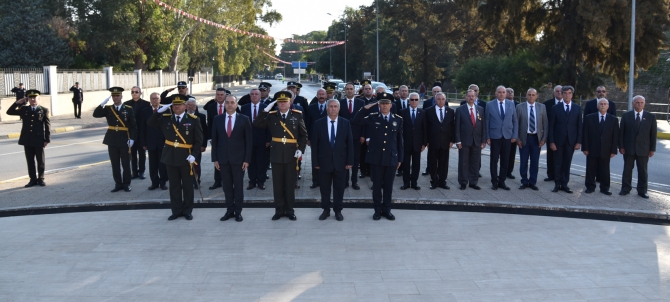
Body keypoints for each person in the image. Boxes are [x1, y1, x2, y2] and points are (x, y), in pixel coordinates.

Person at [253, 91, 307, 221]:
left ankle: (290, 210)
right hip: (276, 153)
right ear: (277, 103)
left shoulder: (297, 115)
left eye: (285, 102)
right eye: (280, 102)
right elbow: (257, 123)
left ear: (290, 103)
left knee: (289, 184)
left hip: (291, 153)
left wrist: (301, 150)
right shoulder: (272, 116)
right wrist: (266, 109)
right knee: (277, 184)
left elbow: (304, 135)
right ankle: (279, 210)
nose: (282, 104)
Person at [148, 95, 203, 220]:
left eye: (179, 104)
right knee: (174, 186)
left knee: (188, 186)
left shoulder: (193, 120)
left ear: (185, 106)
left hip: (186, 157)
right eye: (174, 105)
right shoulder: (166, 119)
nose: (177, 107)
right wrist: (158, 112)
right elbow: (150, 123)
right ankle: (176, 210)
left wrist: (194, 155)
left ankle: (188, 210)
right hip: (170, 157)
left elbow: (199, 140)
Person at [353, 93, 403, 220]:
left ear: (391, 105)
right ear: (379, 105)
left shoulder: (398, 119)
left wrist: (400, 158)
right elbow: (356, 121)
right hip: (376, 158)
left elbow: (399, 141)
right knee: (376, 186)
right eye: (382, 104)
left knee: (388, 186)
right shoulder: (372, 117)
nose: (384, 106)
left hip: (391, 157)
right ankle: (377, 210)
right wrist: (365, 108)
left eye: (387, 104)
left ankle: (387, 210)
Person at [211, 95, 252, 222]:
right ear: (224, 104)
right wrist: (215, 159)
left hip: (239, 160)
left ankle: (238, 211)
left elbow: (249, 141)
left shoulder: (244, 119)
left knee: (238, 186)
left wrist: (247, 160)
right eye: (227, 102)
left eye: (232, 102)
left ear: (236, 104)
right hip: (223, 159)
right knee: (227, 187)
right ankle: (229, 210)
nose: (229, 104)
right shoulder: (217, 119)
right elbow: (215, 140)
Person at [311, 99, 354, 221]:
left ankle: (338, 210)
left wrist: (350, 161)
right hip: (324, 162)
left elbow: (350, 143)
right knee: (324, 188)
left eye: (335, 106)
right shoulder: (318, 123)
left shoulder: (345, 123)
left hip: (341, 162)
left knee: (339, 188)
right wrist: (315, 162)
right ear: (326, 108)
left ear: (339, 109)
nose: (333, 109)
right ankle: (325, 210)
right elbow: (315, 145)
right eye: (331, 106)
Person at [93, 87, 137, 192]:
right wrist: (102, 103)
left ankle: (126, 184)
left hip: (124, 139)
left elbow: (133, 126)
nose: (115, 97)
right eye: (113, 96)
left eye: (117, 95)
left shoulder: (128, 109)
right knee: (115, 163)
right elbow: (95, 114)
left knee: (126, 163)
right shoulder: (108, 108)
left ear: (121, 96)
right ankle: (118, 184)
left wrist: (132, 139)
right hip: (112, 139)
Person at [6, 90, 50, 187]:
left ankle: (41, 178)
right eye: (30, 97)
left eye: (35, 97)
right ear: (28, 99)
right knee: (30, 161)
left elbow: (47, 126)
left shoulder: (43, 110)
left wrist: (46, 139)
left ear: (39, 99)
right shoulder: (24, 109)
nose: (33, 99)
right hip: (27, 139)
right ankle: (33, 179)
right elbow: (9, 112)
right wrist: (17, 103)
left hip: (38, 139)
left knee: (40, 161)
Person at [619, 95, 657, 199]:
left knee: (643, 171)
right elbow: (621, 133)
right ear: (633, 103)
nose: (639, 104)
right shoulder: (626, 116)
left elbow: (653, 135)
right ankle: (625, 189)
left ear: (644, 104)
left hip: (644, 149)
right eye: (637, 102)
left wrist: (652, 149)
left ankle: (642, 190)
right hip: (628, 148)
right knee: (627, 170)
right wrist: (621, 146)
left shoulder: (651, 117)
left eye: (641, 103)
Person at [547, 85, 582, 193]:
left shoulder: (577, 108)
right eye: (565, 93)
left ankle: (565, 184)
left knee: (567, 163)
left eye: (569, 93)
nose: (567, 95)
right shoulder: (555, 108)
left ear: (572, 94)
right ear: (562, 94)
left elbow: (579, 126)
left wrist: (578, 142)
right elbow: (551, 126)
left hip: (571, 141)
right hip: (558, 141)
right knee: (557, 163)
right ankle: (557, 184)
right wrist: (551, 141)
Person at [582, 98, 618, 195]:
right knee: (590, 169)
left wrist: (613, 150)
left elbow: (615, 136)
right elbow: (585, 134)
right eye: (601, 104)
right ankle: (590, 186)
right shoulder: (589, 118)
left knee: (605, 170)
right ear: (597, 106)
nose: (602, 105)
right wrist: (585, 148)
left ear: (608, 106)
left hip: (606, 149)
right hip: (591, 148)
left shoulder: (613, 119)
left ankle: (605, 188)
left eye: (605, 104)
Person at [485, 86, 518, 191]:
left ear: (506, 94)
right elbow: (487, 121)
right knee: (494, 160)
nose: (502, 94)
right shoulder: (489, 105)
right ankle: (494, 181)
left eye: (503, 92)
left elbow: (515, 121)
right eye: (499, 92)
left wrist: (514, 135)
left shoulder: (511, 104)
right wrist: (488, 136)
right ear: (496, 93)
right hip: (495, 136)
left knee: (505, 160)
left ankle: (502, 181)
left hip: (507, 136)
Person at [516, 88, 548, 191]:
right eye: (529, 94)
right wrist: (517, 138)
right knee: (523, 161)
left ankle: (533, 181)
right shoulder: (519, 107)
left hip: (536, 139)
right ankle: (524, 181)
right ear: (526, 95)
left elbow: (545, 124)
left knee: (535, 161)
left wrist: (544, 138)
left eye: (533, 95)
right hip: (524, 138)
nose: (531, 96)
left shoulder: (542, 107)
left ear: (536, 96)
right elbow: (516, 123)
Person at [455, 89, 486, 190]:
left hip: (476, 141)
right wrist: (458, 141)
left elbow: (483, 126)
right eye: (469, 96)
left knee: (475, 162)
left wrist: (483, 140)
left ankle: (473, 182)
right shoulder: (460, 110)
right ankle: (463, 182)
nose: (471, 97)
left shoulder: (480, 109)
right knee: (463, 162)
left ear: (476, 97)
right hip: (464, 141)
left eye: (473, 96)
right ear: (465, 97)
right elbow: (457, 127)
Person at [424, 92, 455, 190]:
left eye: (442, 99)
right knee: (432, 162)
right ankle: (434, 181)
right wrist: (426, 141)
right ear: (435, 99)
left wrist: (452, 140)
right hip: (433, 142)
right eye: (438, 99)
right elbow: (425, 127)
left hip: (445, 142)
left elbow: (452, 127)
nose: (441, 101)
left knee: (444, 163)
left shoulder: (450, 111)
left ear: (445, 100)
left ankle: (442, 181)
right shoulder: (428, 111)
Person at [241, 88, 270, 190]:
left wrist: (268, 140)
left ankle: (261, 182)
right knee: (251, 161)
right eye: (252, 94)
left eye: (256, 94)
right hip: (248, 140)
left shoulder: (265, 107)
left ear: (260, 96)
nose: (254, 96)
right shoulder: (244, 108)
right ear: (250, 96)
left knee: (261, 161)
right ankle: (252, 181)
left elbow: (269, 125)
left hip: (262, 139)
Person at [139, 93, 168, 190]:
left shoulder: (166, 110)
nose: (155, 100)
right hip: (150, 142)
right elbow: (142, 128)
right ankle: (154, 182)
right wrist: (143, 143)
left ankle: (163, 182)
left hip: (163, 142)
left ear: (160, 100)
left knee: (163, 164)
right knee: (153, 164)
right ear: (150, 100)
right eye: (153, 99)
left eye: (156, 98)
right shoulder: (145, 111)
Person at [339, 82, 364, 190]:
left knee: (355, 159)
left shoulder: (361, 102)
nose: (349, 90)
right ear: (345, 91)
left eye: (351, 89)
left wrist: (363, 135)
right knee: (344, 158)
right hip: (343, 136)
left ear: (354, 90)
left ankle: (354, 182)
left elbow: (364, 120)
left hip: (357, 136)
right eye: (347, 89)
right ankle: (345, 182)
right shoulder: (340, 103)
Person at [399, 92, 426, 190]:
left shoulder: (422, 113)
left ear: (418, 101)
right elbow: (400, 129)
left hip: (417, 144)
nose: (414, 101)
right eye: (412, 99)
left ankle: (414, 182)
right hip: (405, 143)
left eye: (416, 100)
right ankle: (406, 183)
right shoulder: (402, 112)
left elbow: (424, 129)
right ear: (409, 101)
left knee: (416, 164)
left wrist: (424, 143)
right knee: (405, 164)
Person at [123, 86, 151, 180]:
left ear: (140, 93)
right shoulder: (126, 104)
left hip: (142, 132)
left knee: (142, 153)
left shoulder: (146, 104)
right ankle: (134, 171)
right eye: (133, 92)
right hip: (131, 133)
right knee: (132, 153)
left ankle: (142, 171)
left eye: (136, 92)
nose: (134, 93)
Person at [206, 88, 228, 190]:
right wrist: (210, 136)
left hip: (229, 136)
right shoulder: (211, 107)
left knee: (227, 159)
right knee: (217, 159)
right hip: (216, 138)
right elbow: (209, 123)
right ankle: (217, 181)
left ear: (225, 95)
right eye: (218, 94)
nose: (219, 96)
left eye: (221, 94)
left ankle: (227, 181)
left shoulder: (230, 105)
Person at [306, 88, 329, 189]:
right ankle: (315, 181)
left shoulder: (331, 106)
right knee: (315, 159)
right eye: (319, 94)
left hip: (328, 138)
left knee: (327, 159)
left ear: (326, 95)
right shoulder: (311, 107)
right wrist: (308, 138)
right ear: (317, 96)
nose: (321, 96)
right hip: (314, 138)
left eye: (323, 94)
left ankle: (326, 180)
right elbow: (307, 123)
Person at [186, 98, 208, 189]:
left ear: (196, 107)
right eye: (189, 105)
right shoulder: (183, 116)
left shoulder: (201, 116)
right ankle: (187, 181)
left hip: (197, 146)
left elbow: (205, 132)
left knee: (196, 164)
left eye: (193, 105)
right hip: (185, 146)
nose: (191, 107)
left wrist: (203, 145)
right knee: (185, 165)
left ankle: (196, 181)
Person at [543, 85, 563, 182]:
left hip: (564, 135)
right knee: (550, 156)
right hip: (551, 134)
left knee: (562, 157)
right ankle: (551, 175)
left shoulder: (569, 104)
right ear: (554, 93)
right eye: (557, 91)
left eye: (561, 91)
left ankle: (561, 175)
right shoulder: (547, 104)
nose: (559, 93)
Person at [505, 87, 520, 180]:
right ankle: (502, 171)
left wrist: (516, 135)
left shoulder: (518, 105)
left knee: (511, 154)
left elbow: (517, 121)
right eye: (508, 91)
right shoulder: (502, 103)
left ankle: (509, 171)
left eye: (512, 91)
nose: (510, 93)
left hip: (513, 134)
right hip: (502, 134)